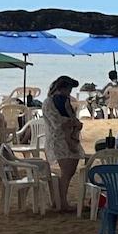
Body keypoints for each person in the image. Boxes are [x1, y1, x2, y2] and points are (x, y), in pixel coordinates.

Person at [41, 76, 84, 212]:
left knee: (69, 171)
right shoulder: (49, 102)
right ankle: (61, 202)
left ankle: (59, 200)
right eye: (68, 89)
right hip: (58, 140)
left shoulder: (64, 101)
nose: (69, 93)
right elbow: (57, 123)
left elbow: (70, 119)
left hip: (69, 138)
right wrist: (72, 122)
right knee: (67, 171)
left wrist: (74, 123)